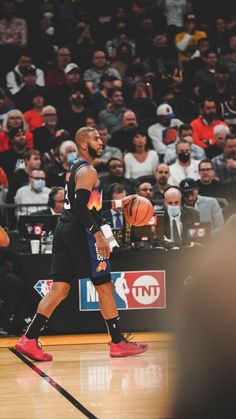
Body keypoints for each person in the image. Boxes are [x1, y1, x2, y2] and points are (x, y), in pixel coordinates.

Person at [15, 127, 148, 361]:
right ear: (83, 144)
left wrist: (117, 205)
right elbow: (80, 208)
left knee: (60, 289)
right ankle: (117, 342)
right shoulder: (89, 171)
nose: (101, 141)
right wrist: (98, 234)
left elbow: (87, 204)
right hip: (80, 233)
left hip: (63, 230)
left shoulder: (75, 167)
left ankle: (29, 339)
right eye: (96, 138)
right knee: (105, 285)